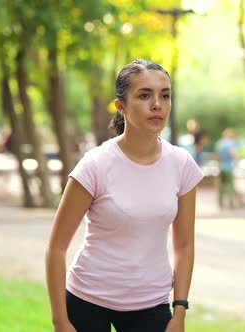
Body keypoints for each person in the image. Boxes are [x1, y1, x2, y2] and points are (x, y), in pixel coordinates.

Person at [45, 59, 204, 332]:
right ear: (121, 106)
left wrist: (180, 312)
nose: (157, 104)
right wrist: (60, 320)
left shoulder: (182, 164)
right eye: (145, 95)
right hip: (86, 302)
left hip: (151, 305)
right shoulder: (95, 164)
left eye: (165, 95)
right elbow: (56, 248)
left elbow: (185, 246)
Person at [215, 128, 238, 209]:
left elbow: (217, 156)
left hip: (221, 167)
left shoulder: (219, 143)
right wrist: (237, 160)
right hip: (229, 167)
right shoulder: (230, 143)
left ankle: (220, 204)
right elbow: (233, 154)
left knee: (221, 187)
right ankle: (231, 202)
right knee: (231, 186)